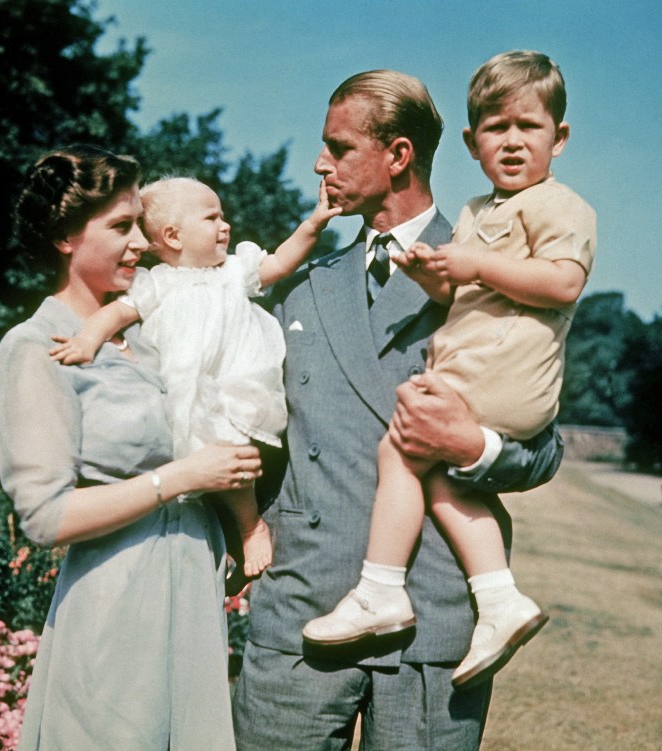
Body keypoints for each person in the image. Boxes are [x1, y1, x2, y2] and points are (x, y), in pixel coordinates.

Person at [232, 70, 564, 750]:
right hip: (303, 615)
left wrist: (474, 446)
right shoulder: (301, 287)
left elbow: (544, 444)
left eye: (338, 147)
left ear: (399, 154)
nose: (320, 164)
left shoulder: (494, 271)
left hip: (432, 623)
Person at [302, 51, 596, 691]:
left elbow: (564, 283)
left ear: (560, 138)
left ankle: (384, 589)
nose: (512, 143)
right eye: (495, 129)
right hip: (303, 601)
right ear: (471, 142)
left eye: (529, 128)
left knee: (404, 450)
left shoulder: (552, 208)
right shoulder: (469, 219)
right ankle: (499, 600)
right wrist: (438, 279)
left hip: (500, 390)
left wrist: (476, 446)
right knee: (423, 467)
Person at [0, 145, 263, 751]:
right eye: (120, 226)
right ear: (64, 236)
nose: (141, 242)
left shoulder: (151, 337)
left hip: (191, 596)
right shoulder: (34, 349)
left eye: (141, 222)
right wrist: (182, 477)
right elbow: (45, 516)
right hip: (114, 610)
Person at [48, 176, 340, 579]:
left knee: (229, 451)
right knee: (195, 467)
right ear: (172, 235)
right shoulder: (157, 283)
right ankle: (226, 542)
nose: (226, 226)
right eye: (212, 218)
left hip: (236, 386)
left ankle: (250, 524)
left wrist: (314, 224)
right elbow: (116, 313)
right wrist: (86, 339)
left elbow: (279, 262)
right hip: (182, 391)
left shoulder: (234, 270)